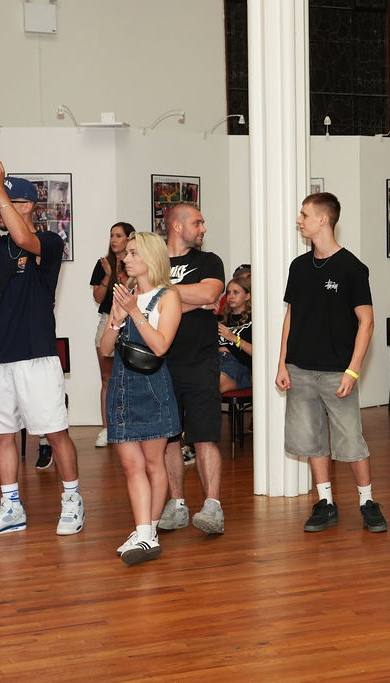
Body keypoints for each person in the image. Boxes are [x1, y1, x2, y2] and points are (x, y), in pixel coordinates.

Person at [0, 159, 83, 538]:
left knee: (55, 432)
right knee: (1, 435)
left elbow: (25, 240)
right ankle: (11, 507)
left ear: (27, 206)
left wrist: (0, 189)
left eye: (4, 202)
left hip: (36, 356)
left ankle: (72, 499)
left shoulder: (50, 243)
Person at [275, 192, 387, 534]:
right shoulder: (298, 267)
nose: (299, 220)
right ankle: (325, 503)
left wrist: (353, 370)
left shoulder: (352, 268)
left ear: (323, 219)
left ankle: (368, 502)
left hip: (338, 371)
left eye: (304, 214)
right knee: (311, 440)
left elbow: (367, 322)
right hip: (299, 369)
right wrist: (282, 364)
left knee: (351, 440)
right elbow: (291, 317)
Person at [98, 232, 182, 565]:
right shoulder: (125, 295)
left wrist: (134, 312)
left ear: (151, 257)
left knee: (152, 463)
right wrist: (116, 320)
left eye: (133, 253)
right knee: (130, 465)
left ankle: (148, 533)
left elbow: (160, 346)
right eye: (127, 253)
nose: (126, 258)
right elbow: (105, 350)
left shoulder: (168, 297)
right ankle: (143, 530)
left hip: (152, 388)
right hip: (121, 387)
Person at [156, 203, 227, 536]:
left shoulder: (209, 261)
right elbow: (143, 302)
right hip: (161, 364)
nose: (203, 228)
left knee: (204, 436)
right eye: (197, 223)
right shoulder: (153, 261)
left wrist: (163, 293)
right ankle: (177, 504)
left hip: (201, 362)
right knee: (170, 438)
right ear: (177, 226)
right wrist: (192, 301)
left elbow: (210, 292)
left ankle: (212, 506)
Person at [90, 221, 136, 448]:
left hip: (133, 319)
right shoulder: (103, 263)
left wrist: (117, 274)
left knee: (131, 377)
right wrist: (108, 275)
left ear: (129, 238)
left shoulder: (136, 262)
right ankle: (107, 428)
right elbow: (98, 297)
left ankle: (131, 425)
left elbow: (130, 291)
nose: (114, 240)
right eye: (111, 235)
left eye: (118, 235)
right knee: (107, 378)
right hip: (108, 318)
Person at [218, 274, 253, 393]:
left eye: (236, 292)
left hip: (238, 362)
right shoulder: (220, 319)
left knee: (211, 387)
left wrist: (233, 338)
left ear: (247, 296)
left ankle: (246, 381)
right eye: (228, 293)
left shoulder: (254, 320)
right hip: (215, 360)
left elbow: (259, 353)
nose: (231, 296)